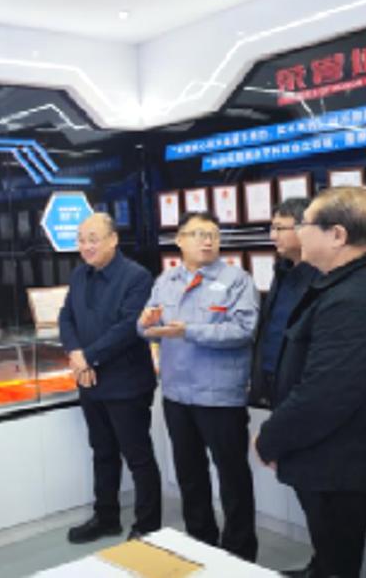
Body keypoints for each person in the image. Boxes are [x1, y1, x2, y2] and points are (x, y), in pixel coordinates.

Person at [255, 187, 366, 578]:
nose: (297, 232)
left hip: (345, 467)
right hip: (331, 458)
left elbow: (325, 394)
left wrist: (271, 437)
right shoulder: (345, 284)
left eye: (304, 224)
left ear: (337, 235)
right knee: (331, 553)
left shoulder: (359, 298)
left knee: (346, 559)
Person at [138, 210, 259, 561]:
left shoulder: (237, 280)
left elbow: (243, 331)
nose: (207, 241)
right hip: (177, 394)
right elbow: (147, 329)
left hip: (219, 395)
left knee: (233, 478)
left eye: (213, 235)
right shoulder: (166, 281)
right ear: (179, 240)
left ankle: (239, 554)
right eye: (197, 234)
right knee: (189, 476)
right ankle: (201, 543)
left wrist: (188, 331)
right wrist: (144, 324)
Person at [59, 213, 161, 543]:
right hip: (90, 381)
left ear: (113, 239)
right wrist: (76, 354)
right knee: (102, 452)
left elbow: (129, 328)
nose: (85, 246)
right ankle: (106, 517)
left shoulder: (137, 277)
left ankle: (148, 525)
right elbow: (66, 317)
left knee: (137, 456)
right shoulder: (79, 274)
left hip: (126, 383)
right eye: (81, 240)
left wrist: (87, 357)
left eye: (93, 239)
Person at [249, 197, 319, 409]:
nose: (273, 236)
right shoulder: (282, 271)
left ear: (304, 228)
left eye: (279, 228)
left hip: (305, 389)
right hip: (273, 379)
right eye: (272, 228)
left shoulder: (322, 276)